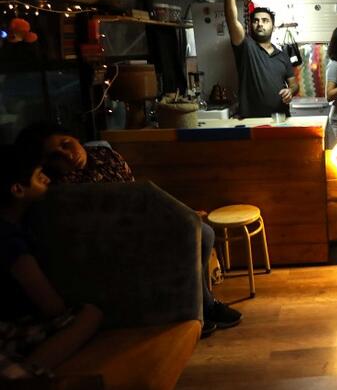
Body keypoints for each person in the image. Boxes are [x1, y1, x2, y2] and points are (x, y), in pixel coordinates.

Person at [15, 123, 242, 339]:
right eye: (55, 155)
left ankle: (203, 304)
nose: (67, 155)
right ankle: (195, 309)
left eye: (67, 144)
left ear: (76, 138)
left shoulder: (106, 156)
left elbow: (136, 194)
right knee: (194, 236)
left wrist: (182, 214)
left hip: (141, 224)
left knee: (203, 233)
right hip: (107, 244)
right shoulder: (55, 188)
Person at [0, 144, 102, 375]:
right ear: (18, 189)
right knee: (90, 314)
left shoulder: (16, 225)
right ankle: (25, 375)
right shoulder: (9, 240)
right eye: (39, 176)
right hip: (9, 326)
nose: (46, 179)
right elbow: (50, 305)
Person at [224, 0, 299, 118]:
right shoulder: (246, 46)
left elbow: (294, 84)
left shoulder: (283, 56)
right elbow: (232, 21)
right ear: (251, 26)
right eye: (256, 21)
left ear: (273, 27)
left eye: (265, 20)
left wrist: (290, 91)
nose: (260, 24)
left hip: (280, 119)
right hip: (252, 120)